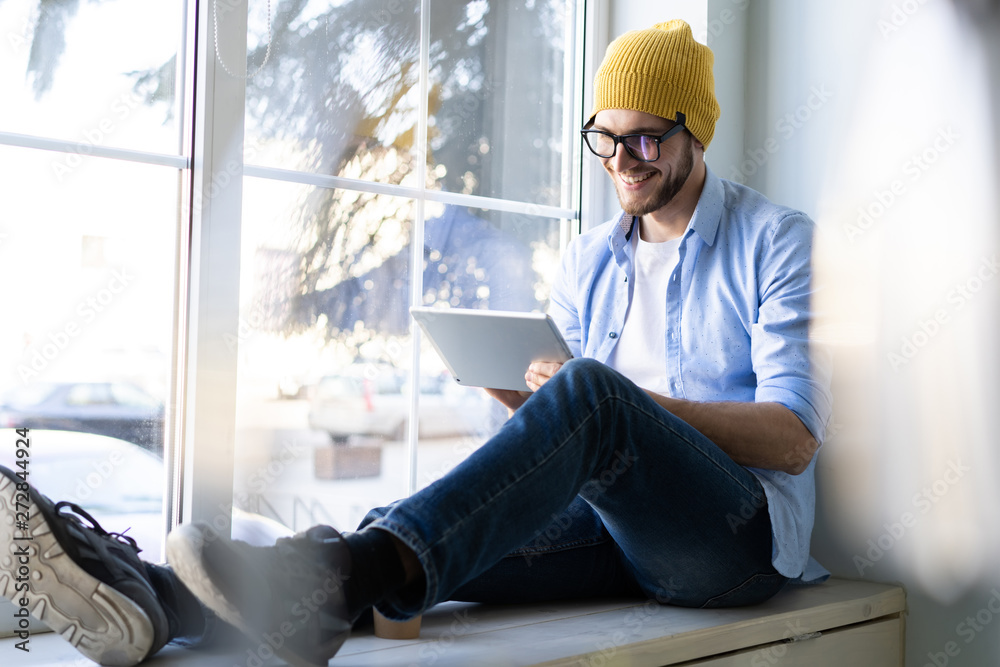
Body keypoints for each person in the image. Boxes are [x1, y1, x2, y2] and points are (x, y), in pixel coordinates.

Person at [0, 20, 832, 667]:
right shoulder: (590, 257)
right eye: (605, 139)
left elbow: (793, 440)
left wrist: (617, 404)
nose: (622, 162)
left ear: (698, 132)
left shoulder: (774, 240)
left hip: (732, 545)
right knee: (412, 545)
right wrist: (525, 406)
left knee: (591, 393)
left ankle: (297, 581)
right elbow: (571, 429)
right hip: (612, 537)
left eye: (647, 139)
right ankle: (153, 598)